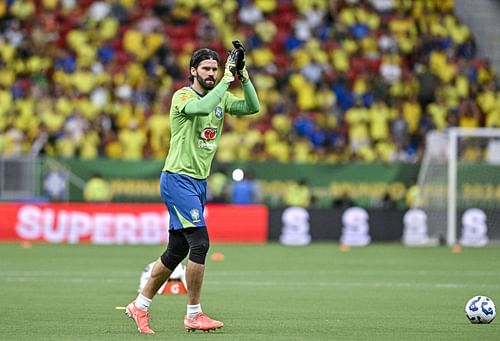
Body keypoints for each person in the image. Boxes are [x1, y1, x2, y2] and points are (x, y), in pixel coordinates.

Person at [125, 43, 260, 334]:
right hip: (177, 178)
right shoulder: (183, 96)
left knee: (177, 250)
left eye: (215, 68)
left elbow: (253, 107)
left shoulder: (220, 97)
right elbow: (201, 108)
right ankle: (194, 314)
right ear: (193, 71)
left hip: (197, 182)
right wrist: (226, 80)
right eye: (206, 69)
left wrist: (243, 75)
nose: (212, 73)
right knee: (200, 243)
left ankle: (140, 305)